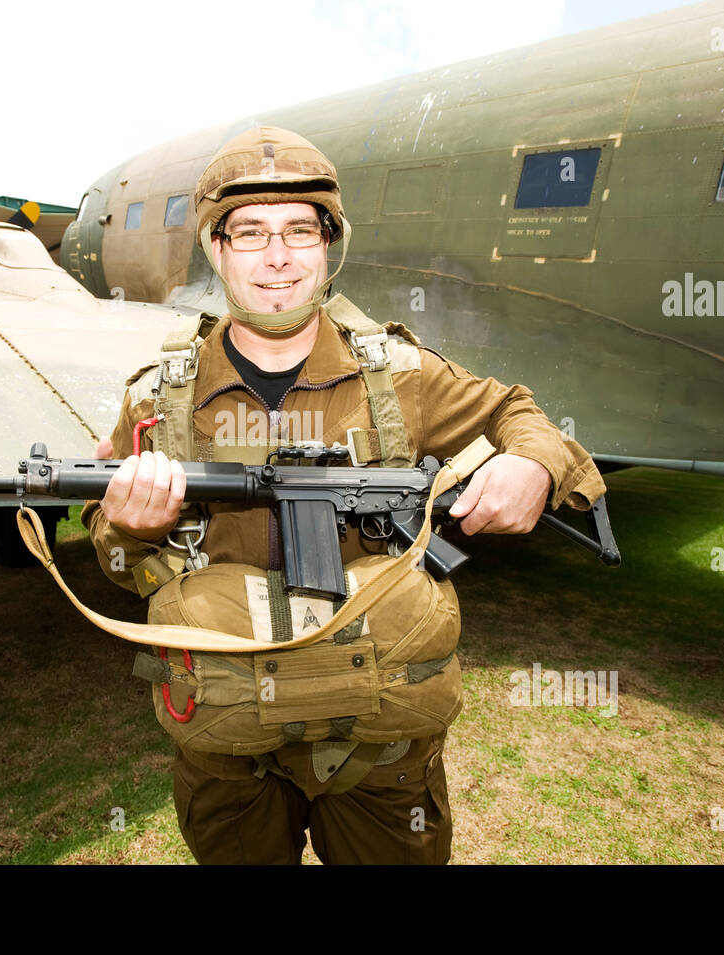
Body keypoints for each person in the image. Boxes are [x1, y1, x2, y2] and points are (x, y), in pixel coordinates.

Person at [82, 126, 606, 864]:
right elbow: (110, 551)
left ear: (329, 244)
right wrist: (127, 527)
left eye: (300, 229)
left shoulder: (399, 375)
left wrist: (536, 466)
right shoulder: (157, 399)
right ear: (217, 248)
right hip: (230, 745)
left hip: (382, 747)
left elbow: (518, 411)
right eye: (251, 232)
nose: (277, 255)